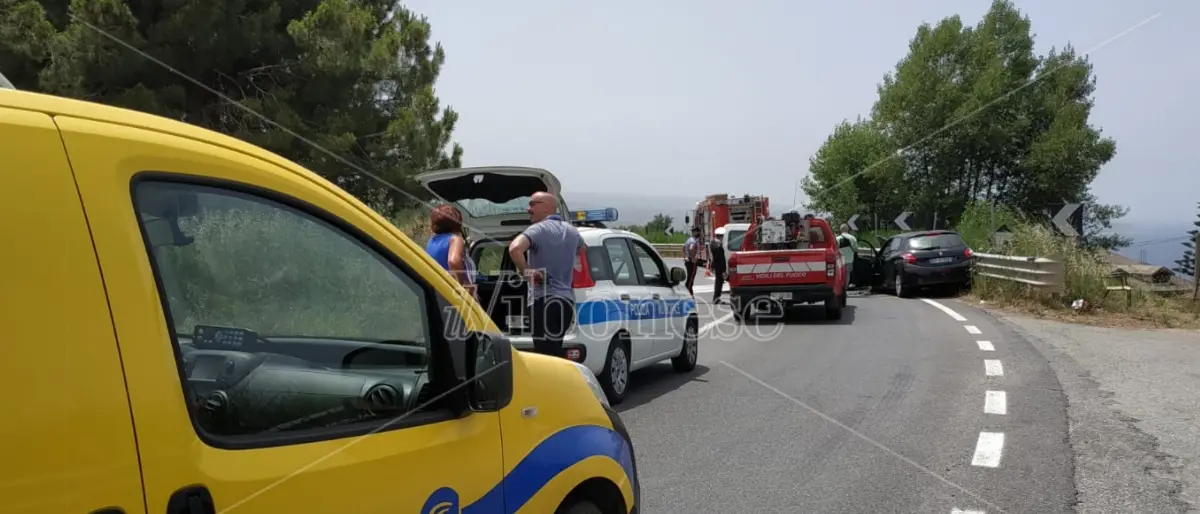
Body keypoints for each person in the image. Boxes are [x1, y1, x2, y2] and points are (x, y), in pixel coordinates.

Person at [508, 191, 581, 358]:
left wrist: (527, 272)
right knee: (555, 351)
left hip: (543, 302)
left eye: (532, 204)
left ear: (547, 207)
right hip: (565, 304)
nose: (528, 209)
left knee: (545, 356)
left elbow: (514, 248)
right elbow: (583, 249)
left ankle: (551, 383)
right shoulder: (572, 231)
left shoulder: (538, 230)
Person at [425, 204, 478, 300]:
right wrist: (461, 286)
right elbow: (453, 261)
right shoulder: (455, 239)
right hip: (455, 293)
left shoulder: (431, 241)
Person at [709, 227, 728, 304]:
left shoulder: (714, 242)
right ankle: (716, 299)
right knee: (719, 283)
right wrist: (723, 270)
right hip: (719, 266)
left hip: (717, 265)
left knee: (719, 282)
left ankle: (717, 298)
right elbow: (720, 258)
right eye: (722, 236)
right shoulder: (716, 244)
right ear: (720, 236)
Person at [683, 227, 702, 296]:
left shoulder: (688, 240)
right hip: (691, 262)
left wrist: (685, 256)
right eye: (698, 232)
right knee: (691, 279)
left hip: (688, 261)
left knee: (689, 278)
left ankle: (689, 292)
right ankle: (688, 294)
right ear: (694, 232)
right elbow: (691, 248)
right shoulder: (693, 241)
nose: (699, 233)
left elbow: (683, 248)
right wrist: (693, 258)